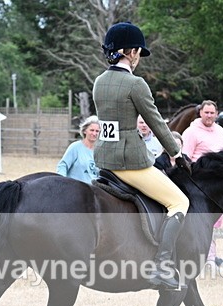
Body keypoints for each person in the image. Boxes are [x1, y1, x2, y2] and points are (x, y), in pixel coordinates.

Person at [93, 22, 191, 290]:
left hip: (103, 158)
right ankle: (161, 267)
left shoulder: (100, 81)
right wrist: (176, 152)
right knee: (179, 202)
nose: (138, 58)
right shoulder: (136, 84)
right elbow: (157, 123)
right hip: (130, 163)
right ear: (132, 51)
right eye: (138, 52)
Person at [181, 100, 223, 265]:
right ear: (200, 113)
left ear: (216, 114)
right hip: (199, 186)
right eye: (206, 112)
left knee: (215, 223)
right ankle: (202, 258)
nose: (209, 116)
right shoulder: (191, 132)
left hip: (218, 185)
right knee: (201, 222)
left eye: (212, 113)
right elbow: (185, 158)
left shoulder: (220, 131)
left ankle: (211, 257)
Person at [56, 115, 100, 184]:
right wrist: (62, 182)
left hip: (94, 191)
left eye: (97, 131)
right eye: (92, 130)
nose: (94, 133)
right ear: (85, 131)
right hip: (76, 189)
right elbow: (63, 165)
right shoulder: (75, 147)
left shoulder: (100, 152)